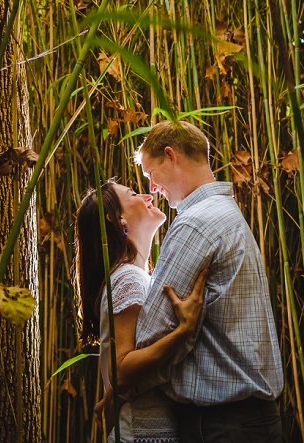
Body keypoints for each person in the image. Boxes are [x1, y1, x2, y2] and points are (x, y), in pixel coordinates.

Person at [133, 120, 284, 443]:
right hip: (249, 420)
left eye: (150, 175)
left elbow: (149, 335)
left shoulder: (195, 223)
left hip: (222, 425)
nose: (151, 188)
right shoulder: (226, 212)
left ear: (171, 156)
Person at [73, 180, 209, 443]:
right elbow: (122, 372)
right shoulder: (128, 279)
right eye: (133, 194)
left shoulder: (131, 276)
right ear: (116, 220)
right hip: (142, 432)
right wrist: (184, 331)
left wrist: (112, 395)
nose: (148, 195)